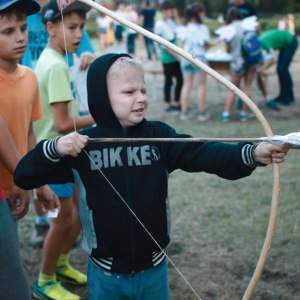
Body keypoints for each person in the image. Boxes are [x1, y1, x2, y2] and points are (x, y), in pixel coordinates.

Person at [14, 53, 289, 299]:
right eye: (129, 91)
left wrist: (251, 153)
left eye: (143, 89)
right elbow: (25, 175)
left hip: (154, 269)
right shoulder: (82, 145)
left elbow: (204, 152)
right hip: (105, 273)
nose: (141, 97)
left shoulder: (159, 136)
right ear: (101, 96)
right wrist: (54, 147)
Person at [31, 0, 95, 299]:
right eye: (71, 27)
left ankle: (62, 264)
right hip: (54, 155)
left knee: (75, 216)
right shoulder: (56, 65)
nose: (79, 33)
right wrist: (100, 116)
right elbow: (61, 123)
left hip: (58, 154)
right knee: (63, 220)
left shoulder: (53, 58)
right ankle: (45, 280)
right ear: (51, 27)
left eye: (81, 27)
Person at [0, 1, 60, 299]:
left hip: (18, 184)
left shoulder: (30, 77)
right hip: (4, 186)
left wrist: (39, 183)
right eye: (8, 31)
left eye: (23, 29)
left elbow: (29, 135)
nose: (20, 37)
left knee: (12, 251)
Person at [218, 7, 258, 122]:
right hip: (251, 61)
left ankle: (226, 113)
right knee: (248, 86)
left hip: (237, 62)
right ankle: (244, 113)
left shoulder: (228, 29)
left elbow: (227, 50)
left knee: (233, 88)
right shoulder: (247, 26)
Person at [176, 3, 211, 121]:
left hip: (186, 58)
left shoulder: (184, 28)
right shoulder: (203, 28)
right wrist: (220, 39)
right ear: (199, 13)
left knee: (186, 85)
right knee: (201, 86)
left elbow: (181, 44)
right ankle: (202, 112)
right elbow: (207, 45)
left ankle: (184, 112)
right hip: (199, 58)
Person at [154, 0, 183, 115]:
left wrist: (176, 17)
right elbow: (164, 45)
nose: (172, 13)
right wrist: (177, 56)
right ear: (164, 11)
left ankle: (176, 102)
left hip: (175, 54)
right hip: (168, 56)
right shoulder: (159, 25)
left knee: (180, 80)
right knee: (169, 80)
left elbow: (180, 31)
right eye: (171, 11)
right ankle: (167, 103)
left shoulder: (170, 22)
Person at [259, 28, 298, 106]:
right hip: (284, 44)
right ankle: (282, 96)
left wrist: (263, 69)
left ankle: (289, 97)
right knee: (280, 69)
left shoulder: (264, 42)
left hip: (291, 42)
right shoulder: (260, 40)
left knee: (283, 69)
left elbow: (274, 59)